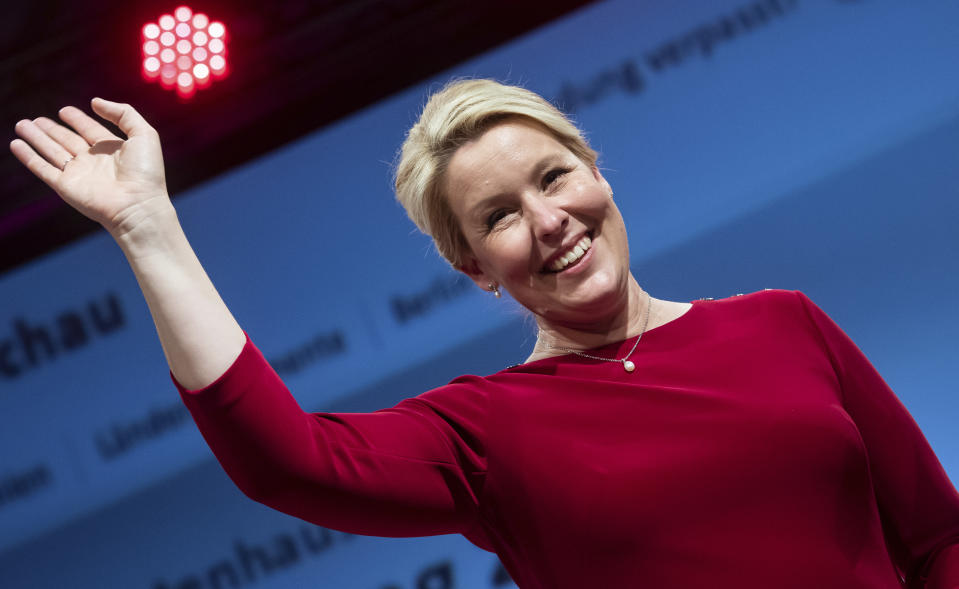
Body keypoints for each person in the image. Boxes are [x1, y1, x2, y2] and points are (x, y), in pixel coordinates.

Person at [10, 79, 959, 588]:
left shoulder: (782, 322)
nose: (548, 221)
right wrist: (150, 229)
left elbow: (937, 539)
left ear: (596, 170)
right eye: (499, 217)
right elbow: (285, 460)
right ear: (473, 268)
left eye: (552, 177)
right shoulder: (487, 429)